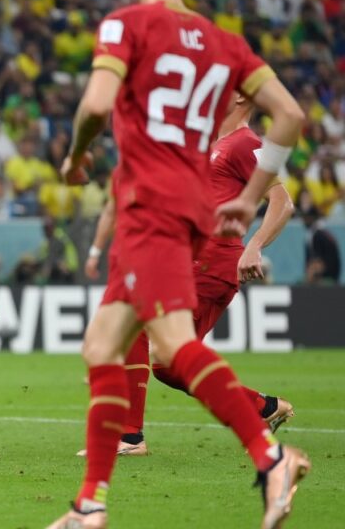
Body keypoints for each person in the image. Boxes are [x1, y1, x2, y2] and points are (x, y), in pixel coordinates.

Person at [47, 0, 309, 527]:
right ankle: (90, 503)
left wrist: (75, 157)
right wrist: (250, 196)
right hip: (184, 210)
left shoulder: (125, 24)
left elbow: (94, 105)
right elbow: (289, 114)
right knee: (103, 345)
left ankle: (271, 460)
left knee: (170, 349)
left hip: (152, 208)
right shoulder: (225, 45)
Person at [79, 96, 297, 461]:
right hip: (189, 260)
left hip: (214, 262)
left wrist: (254, 246)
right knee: (168, 365)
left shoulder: (248, 144)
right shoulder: (210, 145)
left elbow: (282, 202)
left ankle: (130, 436)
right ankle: (262, 407)